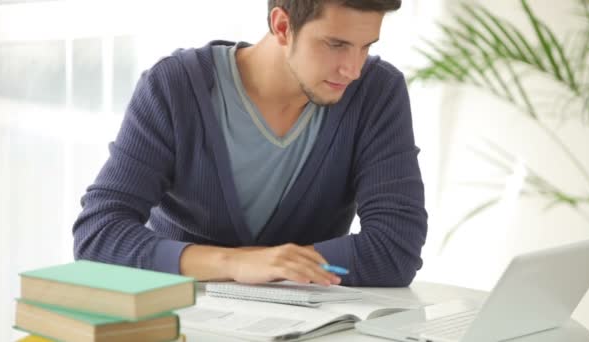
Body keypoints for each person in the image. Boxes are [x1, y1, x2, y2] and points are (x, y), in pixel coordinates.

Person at [73, 0, 427, 287]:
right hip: (181, 322)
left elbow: (395, 247)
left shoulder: (376, 93)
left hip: (309, 329)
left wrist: (277, 267)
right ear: (283, 26)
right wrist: (235, 263)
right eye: (336, 45)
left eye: (365, 47)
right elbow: (98, 233)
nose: (353, 69)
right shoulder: (175, 87)